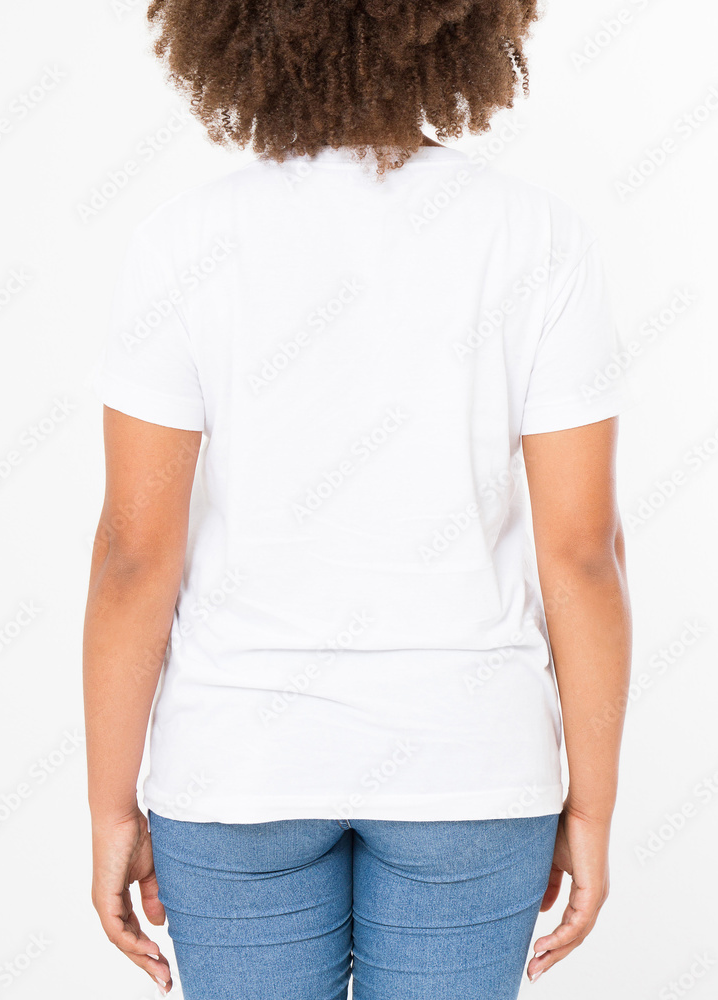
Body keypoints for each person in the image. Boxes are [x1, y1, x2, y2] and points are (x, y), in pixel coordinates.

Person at [82, 1, 633, 997]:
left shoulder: (181, 243)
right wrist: (591, 807)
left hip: (238, 769)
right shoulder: (541, 238)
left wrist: (110, 804)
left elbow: (133, 554)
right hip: (469, 768)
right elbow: (583, 555)